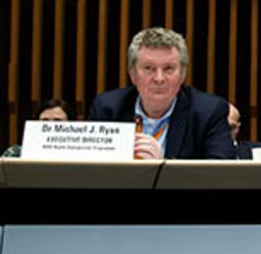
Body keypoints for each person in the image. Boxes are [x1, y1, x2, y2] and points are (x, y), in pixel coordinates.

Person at [89, 27, 236, 159]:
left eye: (169, 69)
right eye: (148, 68)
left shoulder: (208, 112)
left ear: (183, 75)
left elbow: (219, 180)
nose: (159, 78)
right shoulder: (107, 109)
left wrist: (163, 169)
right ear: (132, 74)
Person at [3, 99, 73, 157]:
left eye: (57, 120)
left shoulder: (81, 154)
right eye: (44, 120)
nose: (49, 125)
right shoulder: (15, 153)